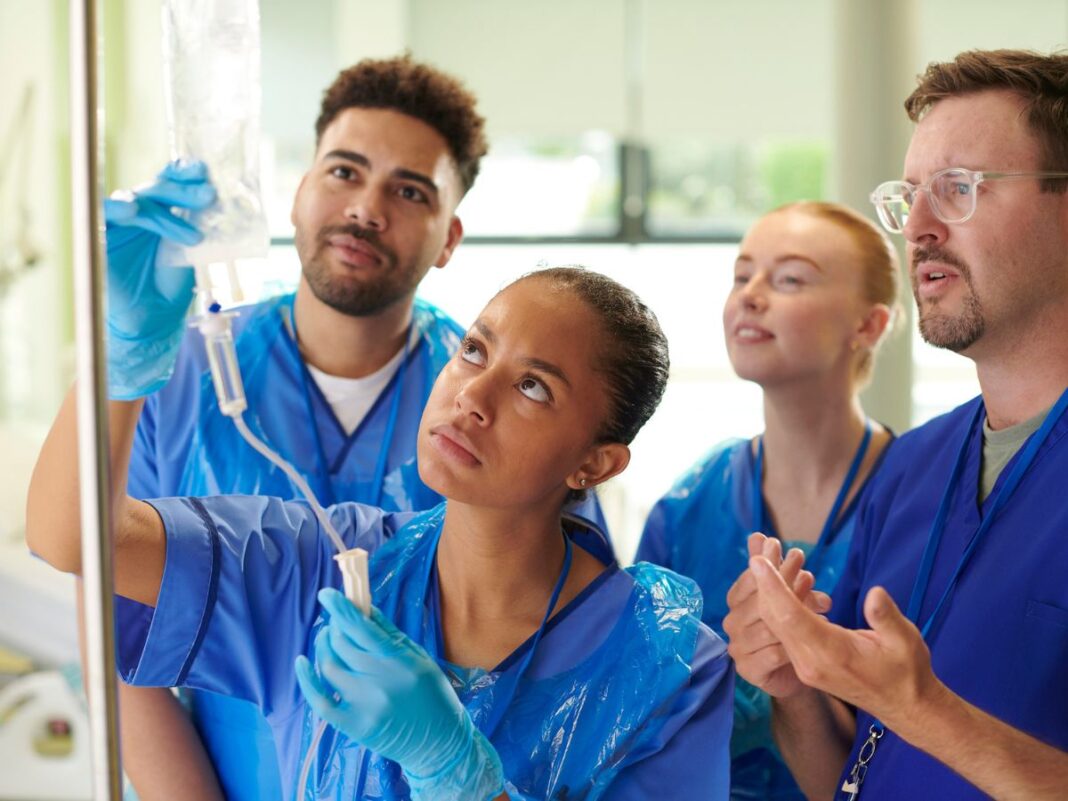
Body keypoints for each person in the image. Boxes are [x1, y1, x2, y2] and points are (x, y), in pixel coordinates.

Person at [28, 263, 734, 799]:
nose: (472, 397)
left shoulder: (668, 666)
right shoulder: (316, 570)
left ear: (595, 462)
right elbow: (73, 538)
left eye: (532, 387)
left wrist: (459, 773)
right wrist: (119, 358)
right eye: (477, 352)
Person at [109, 55, 488, 801]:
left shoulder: (484, 404)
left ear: (449, 238)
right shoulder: (177, 377)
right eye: (344, 172)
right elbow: (122, 646)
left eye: (409, 191)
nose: (367, 208)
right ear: (298, 191)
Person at [723, 48, 1068, 800]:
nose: (916, 227)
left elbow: (917, 719)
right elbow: (848, 776)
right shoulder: (914, 468)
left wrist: (926, 710)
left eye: (958, 189)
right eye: (908, 196)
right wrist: (796, 684)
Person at [636, 201, 897, 799]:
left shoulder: (922, 499)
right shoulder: (688, 505)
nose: (750, 296)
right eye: (741, 275)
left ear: (869, 326)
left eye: (789, 279)